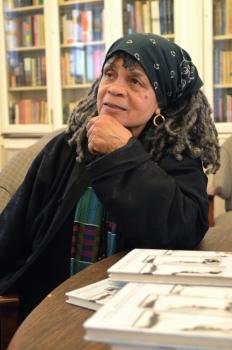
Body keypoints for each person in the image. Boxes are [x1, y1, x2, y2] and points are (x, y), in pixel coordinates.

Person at [0, 33, 220, 322]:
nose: (114, 89)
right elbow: (13, 230)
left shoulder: (178, 156)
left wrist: (122, 152)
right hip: (52, 309)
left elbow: (181, 232)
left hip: (138, 313)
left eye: (135, 81)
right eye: (109, 74)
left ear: (160, 102)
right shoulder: (67, 148)